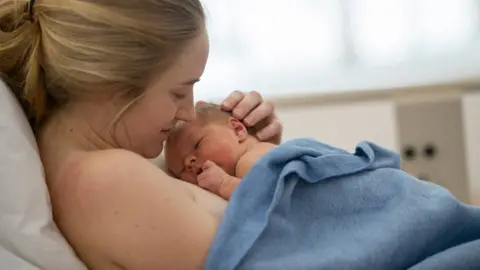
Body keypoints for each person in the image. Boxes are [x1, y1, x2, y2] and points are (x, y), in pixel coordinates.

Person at [0, 1, 283, 269]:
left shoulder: (100, 163)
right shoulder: (106, 182)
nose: (187, 112)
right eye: (179, 92)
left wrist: (256, 157)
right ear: (112, 84)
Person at [166, 102, 276, 200]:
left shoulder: (250, 159)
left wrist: (224, 183)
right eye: (181, 170)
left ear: (237, 130)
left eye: (197, 145)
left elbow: (271, 198)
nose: (188, 163)